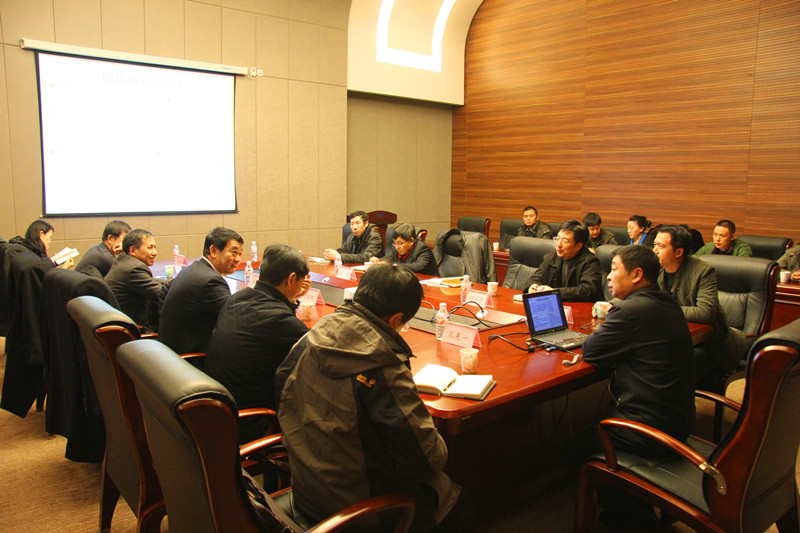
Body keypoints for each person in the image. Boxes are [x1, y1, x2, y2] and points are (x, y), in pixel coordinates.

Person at [276, 263, 466, 532]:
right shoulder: (382, 365)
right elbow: (427, 459)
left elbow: (282, 398)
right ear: (395, 319)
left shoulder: (308, 339)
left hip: (305, 486)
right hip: (357, 509)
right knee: (459, 503)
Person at [581, 245, 695, 528]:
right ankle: (632, 505)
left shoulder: (630, 310)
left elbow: (591, 351)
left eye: (614, 269)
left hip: (648, 431)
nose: (608, 277)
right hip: (678, 420)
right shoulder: (667, 302)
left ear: (636, 275)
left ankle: (629, 517)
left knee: (572, 446)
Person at [653, 225, 748, 390]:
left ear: (678, 252)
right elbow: (638, 292)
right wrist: (613, 304)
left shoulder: (702, 271)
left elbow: (705, 313)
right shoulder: (656, 268)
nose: (654, 250)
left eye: (661, 246)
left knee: (666, 364)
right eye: (654, 244)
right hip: (674, 337)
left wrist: (663, 309)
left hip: (709, 346)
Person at [158, 227, 243, 356]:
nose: (238, 259)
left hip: (168, 351)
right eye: (234, 253)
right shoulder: (211, 281)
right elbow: (235, 317)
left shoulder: (191, 269)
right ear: (213, 251)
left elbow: (162, 292)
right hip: (191, 358)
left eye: (240, 254)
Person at [525, 220, 603, 302]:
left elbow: (587, 290)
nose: (558, 245)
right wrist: (533, 286)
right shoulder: (552, 257)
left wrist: (555, 292)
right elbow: (536, 277)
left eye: (564, 241)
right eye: (557, 239)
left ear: (578, 246)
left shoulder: (590, 262)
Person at [104, 229, 166, 332]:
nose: (154, 252)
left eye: (154, 247)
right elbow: (162, 293)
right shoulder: (134, 269)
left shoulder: (124, 261)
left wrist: (174, 281)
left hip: (121, 323)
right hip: (132, 330)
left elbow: (152, 281)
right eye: (150, 248)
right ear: (132, 250)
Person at [373, 223, 438, 276]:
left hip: (429, 284)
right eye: (395, 243)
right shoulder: (397, 247)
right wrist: (378, 260)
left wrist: (394, 265)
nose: (397, 247)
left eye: (400, 243)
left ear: (411, 241)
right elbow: (389, 258)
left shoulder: (422, 248)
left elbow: (418, 266)